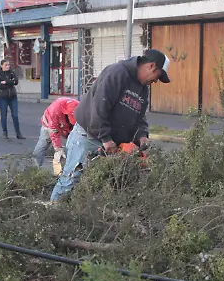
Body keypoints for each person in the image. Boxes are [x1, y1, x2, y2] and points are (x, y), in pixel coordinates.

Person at [50, 49, 170, 202]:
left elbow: (140, 118)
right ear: (152, 66)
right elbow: (99, 106)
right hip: (89, 137)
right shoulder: (117, 73)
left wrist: (142, 136)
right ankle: (54, 210)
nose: (156, 81)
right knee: (71, 179)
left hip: (112, 145)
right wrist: (105, 137)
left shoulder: (142, 89)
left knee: (100, 186)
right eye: (158, 77)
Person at [32, 96, 79, 169]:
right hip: (49, 125)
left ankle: (71, 169)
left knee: (74, 144)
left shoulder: (79, 107)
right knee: (43, 144)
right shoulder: (55, 111)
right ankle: (35, 168)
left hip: (66, 126)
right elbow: (53, 133)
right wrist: (58, 148)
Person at [0, 60, 24, 140]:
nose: (7, 66)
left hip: (13, 97)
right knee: (4, 115)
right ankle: (5, 132)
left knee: (15, 115)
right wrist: (10, 83)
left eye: (8, 65)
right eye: (6, 65)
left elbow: (16, 82)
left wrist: (6, 82)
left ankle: (18, 133)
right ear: (1, 65)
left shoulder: (11, 73)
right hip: (3, 97)